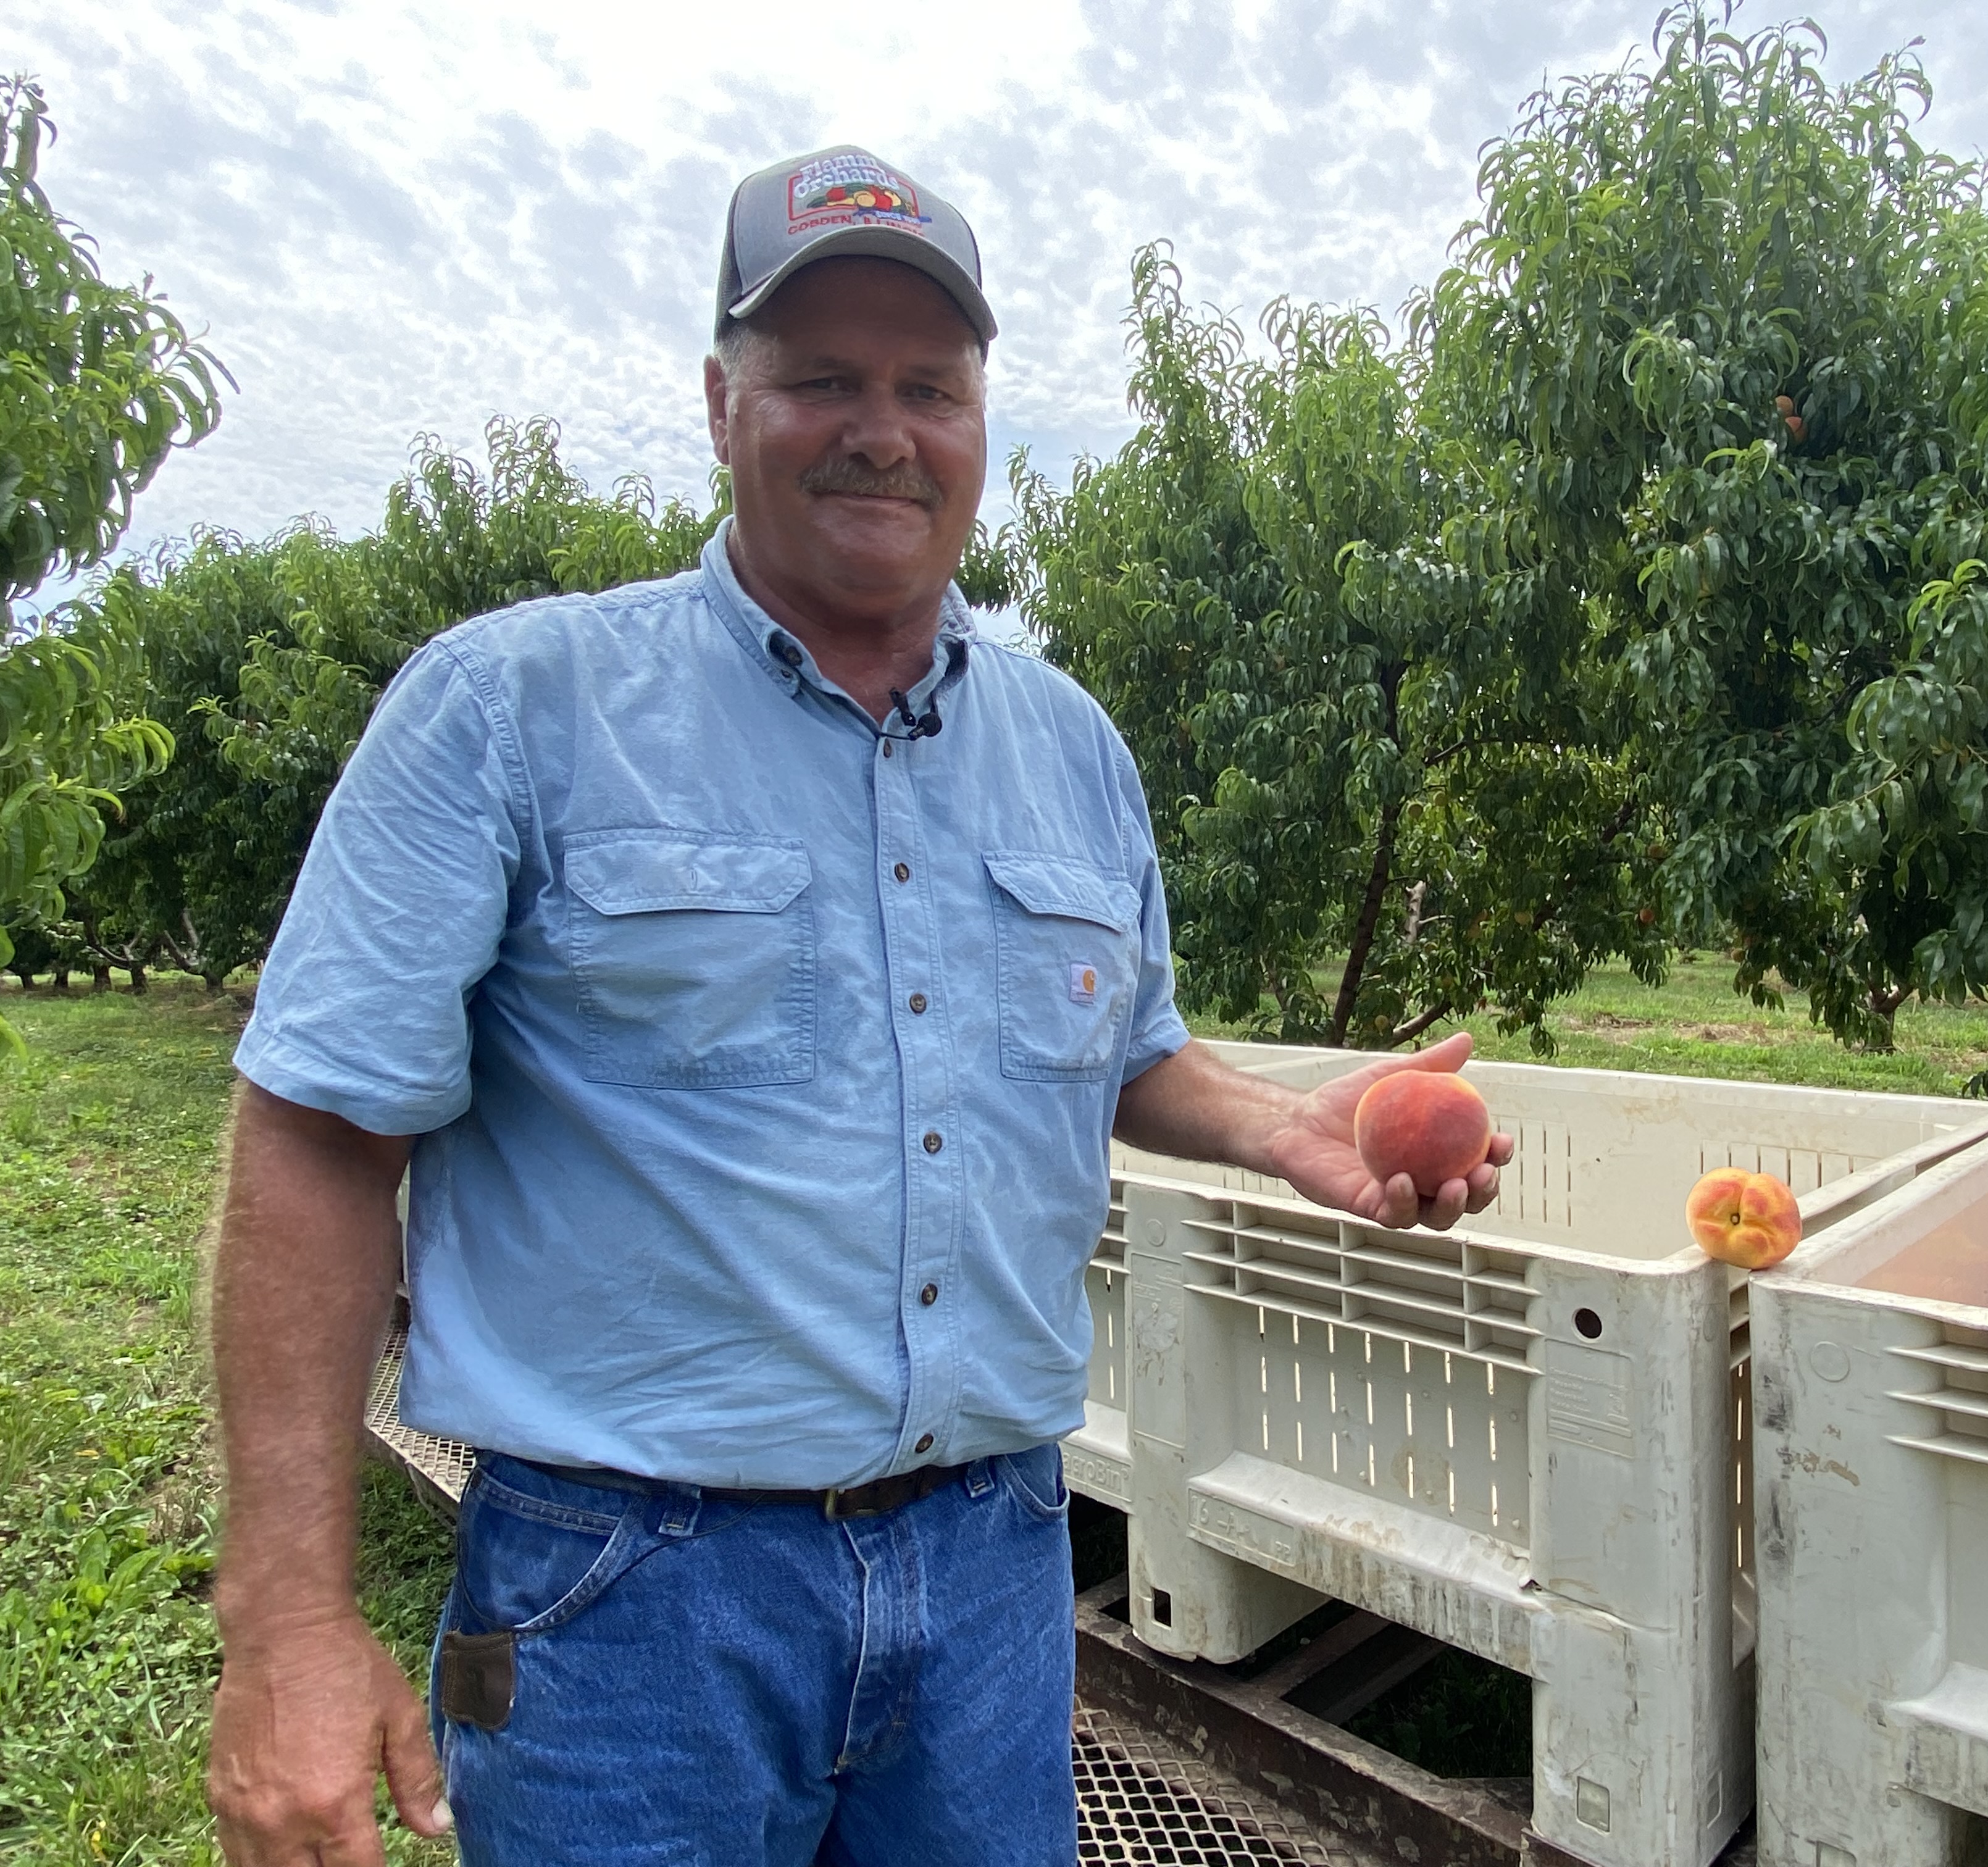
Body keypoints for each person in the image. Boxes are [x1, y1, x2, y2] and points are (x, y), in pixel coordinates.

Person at [204, 143, 1511, 1867]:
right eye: (821, 377)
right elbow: (314, 1133)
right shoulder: (512, 711)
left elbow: (1125, 1049)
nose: (881, 427)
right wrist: (285, 1619)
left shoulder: (1073, 752)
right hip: (629, 1599)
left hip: (989, 1567)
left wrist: (1283, 1124)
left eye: (928, 385)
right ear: (720, 401)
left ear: (981, 422)